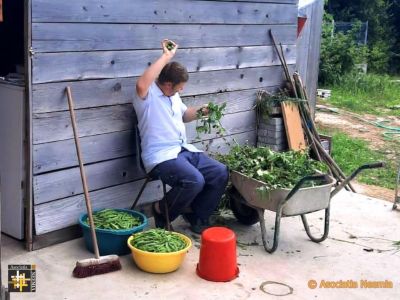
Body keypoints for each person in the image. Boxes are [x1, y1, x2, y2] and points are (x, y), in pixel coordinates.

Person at [133, 39, 229, 234]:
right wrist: (166, 56)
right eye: (180, 86)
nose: (182, 90)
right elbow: (142, 84)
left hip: (183, 150)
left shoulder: (173, 96)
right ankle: (161, 210)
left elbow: (185, 115)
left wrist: (203, 111)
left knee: (220, 172)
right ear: (168, 84)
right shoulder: (147, 97)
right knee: (194, 180)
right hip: (161, 157)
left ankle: (197, 216)